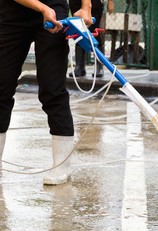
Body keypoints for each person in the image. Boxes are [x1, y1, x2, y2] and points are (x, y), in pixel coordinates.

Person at [0, 0, 93, 184]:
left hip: (53, 7)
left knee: (53, 88)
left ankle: (61, 166)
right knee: (1, 87)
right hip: (12, 11)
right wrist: (42, 8)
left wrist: (85, 7)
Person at [69, 0, 114, 78]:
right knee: (78, 30)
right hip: (75, 2)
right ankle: (79, 67)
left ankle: (99, 66)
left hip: (94, 3)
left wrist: (110, 1)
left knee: (94, 31)